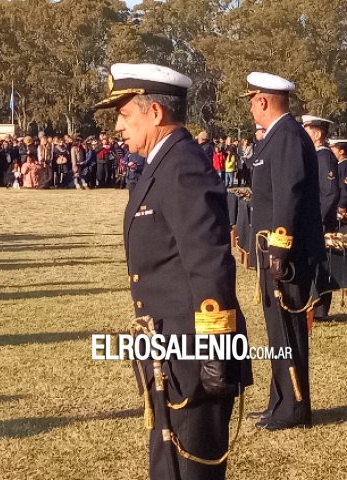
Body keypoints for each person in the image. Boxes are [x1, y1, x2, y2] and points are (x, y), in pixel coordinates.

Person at [95, 63, 251, 480]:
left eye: (125, 115)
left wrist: (216, 347)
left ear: (155, 113)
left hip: (193, 349)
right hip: (168, 346)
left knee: (191, 467)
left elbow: (209, 261)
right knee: (169, 463)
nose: (118, 126)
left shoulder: (182, 165)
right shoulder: (164, 163)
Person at [244, 72, 322, 430]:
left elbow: (288, 195)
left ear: (262, 100)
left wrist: (280, 245)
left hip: (285, 255)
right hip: (272, 250)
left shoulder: (287, 136)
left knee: (288, 330)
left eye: (251, 99)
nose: (250, 106)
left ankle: (294, 408)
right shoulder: (275, 137)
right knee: (277, 331)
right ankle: (280, 401)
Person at [301, 115, 340, 320]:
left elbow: (331, 192)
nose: (304, 132)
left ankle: (320, 309)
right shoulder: (316, 155)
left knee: (321, 267)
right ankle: (316, 307)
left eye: (307, 129)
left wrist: (320, 219)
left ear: (316, 133)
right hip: (317, 220)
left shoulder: (323, 157)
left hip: (322, 222)